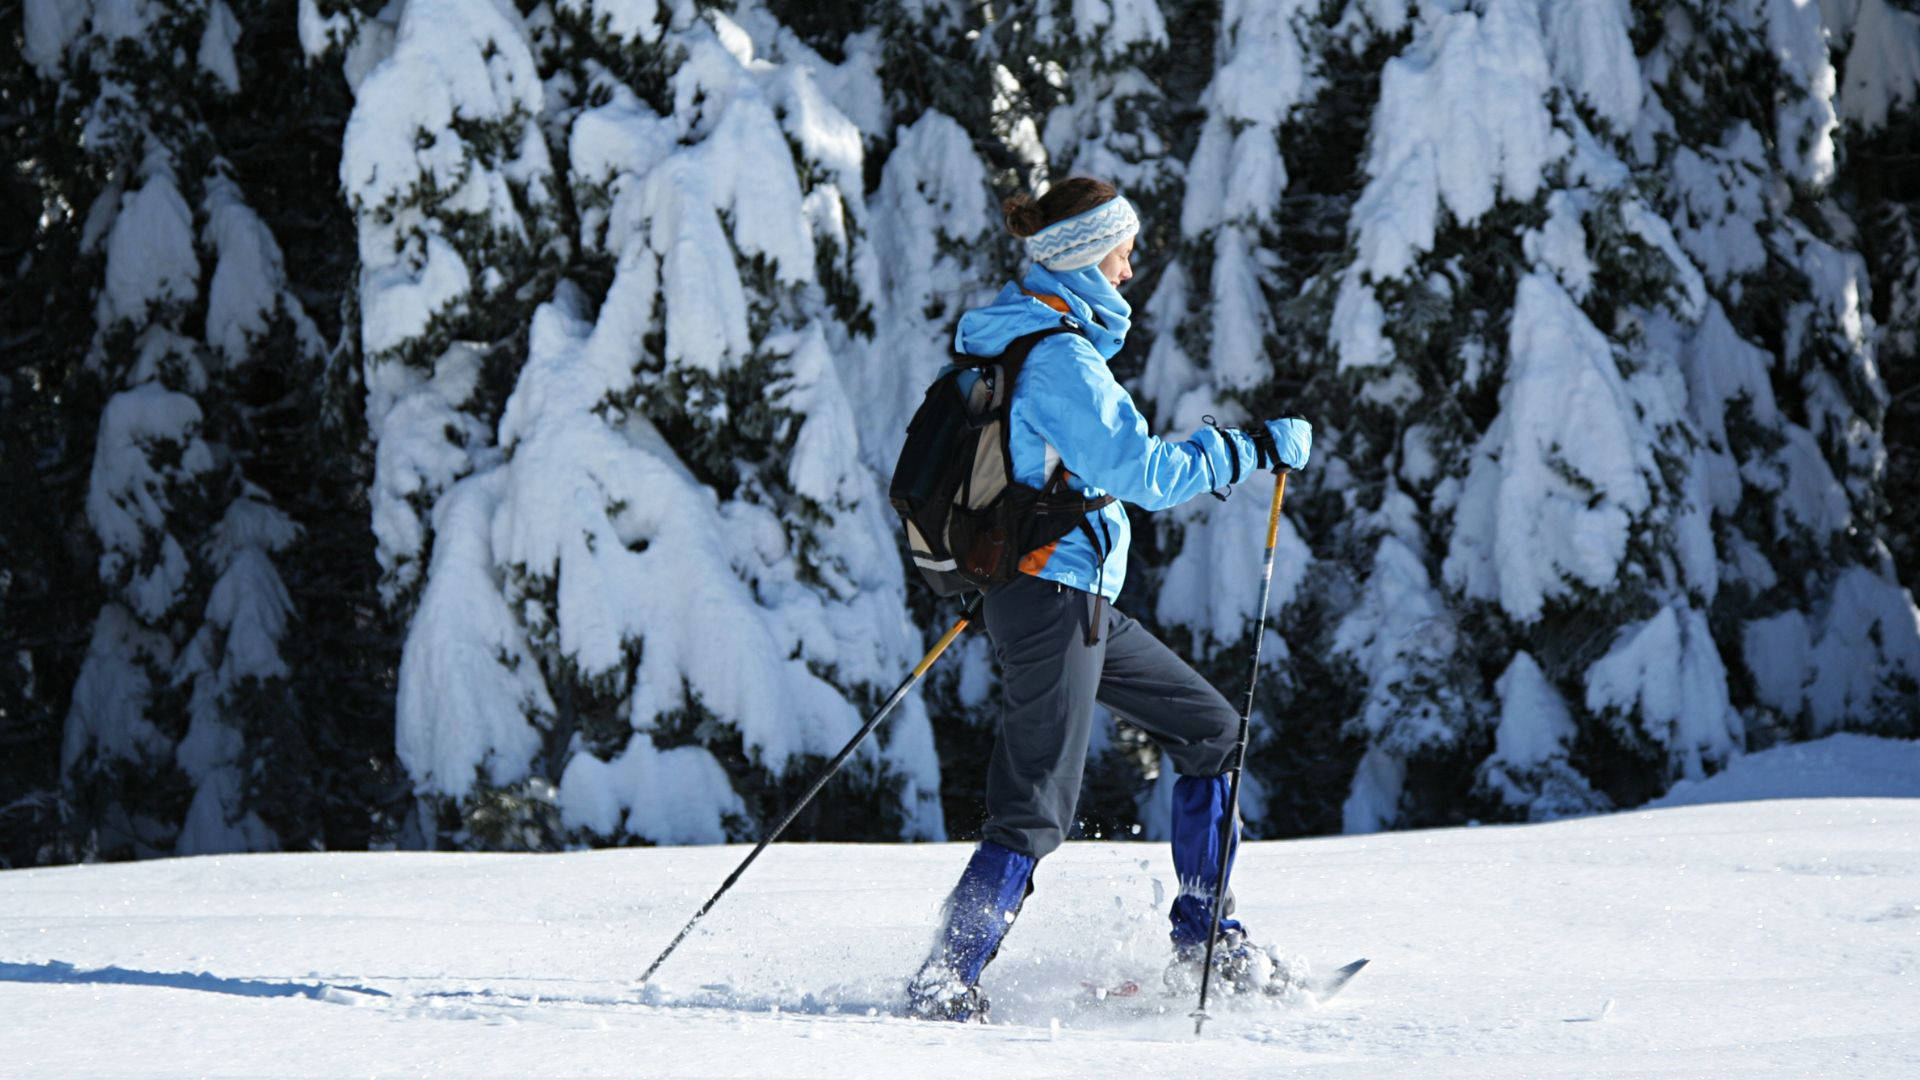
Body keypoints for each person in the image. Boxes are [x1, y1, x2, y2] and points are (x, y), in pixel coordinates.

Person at [904, 178, 1313, 1022]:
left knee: (1209, 729)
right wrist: (1251, 448)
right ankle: (946, 983)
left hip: (1068, 595)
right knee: (1033, 808)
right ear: (1086, 255)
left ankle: (1206, 936)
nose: (1130, 269)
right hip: (1053, 599)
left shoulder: (1024, 343)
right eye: (1123, 251)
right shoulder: (1057, 357)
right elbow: (1144, 475)